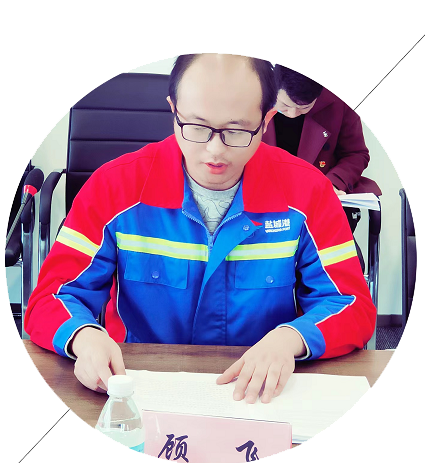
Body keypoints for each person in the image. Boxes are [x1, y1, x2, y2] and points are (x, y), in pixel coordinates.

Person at [25, 54, 376, 405]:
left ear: (266, 121)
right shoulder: (113, 187)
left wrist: (291, 339)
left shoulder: (308, 192)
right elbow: (50, 298)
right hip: (141, 388)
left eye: (236, 131)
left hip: (259, 395)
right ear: (173, 111)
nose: (215, 150)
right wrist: (83, 336)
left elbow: (352, 306)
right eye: (196, 126)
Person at [263, 65, 381, 232]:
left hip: (319, 201)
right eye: (284, 105)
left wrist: (332, 184)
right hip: (264, 198)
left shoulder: (338, 102)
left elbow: (356, 154)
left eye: (304, 107)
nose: (292, 114)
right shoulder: (254, 95)